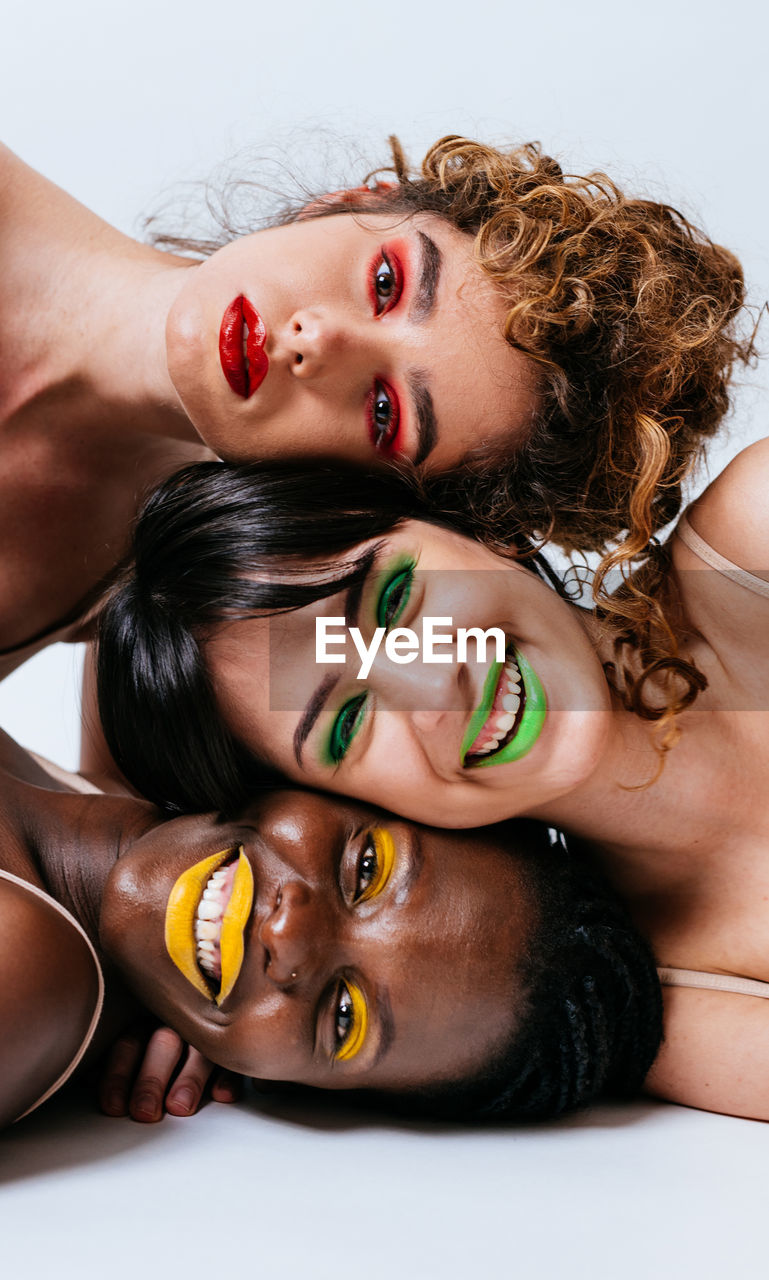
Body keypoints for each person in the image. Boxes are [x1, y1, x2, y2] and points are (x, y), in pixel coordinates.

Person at [96, 437, 769, 1119]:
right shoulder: (670, 999)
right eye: (348, 725)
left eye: (392, 603)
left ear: (476, 527)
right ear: (336, 801)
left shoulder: (754, 537)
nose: (438, 688)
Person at [0, 136, 750, 680]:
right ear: (353, 204)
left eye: (387, 412)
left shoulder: (150, 582)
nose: (318, 341)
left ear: (368, 488)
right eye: (387, 283)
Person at [0, 721, 660, 1129]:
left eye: (344, 1019)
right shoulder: (116, 755)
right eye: (366, 867)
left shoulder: (21, 969)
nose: (290, 936)